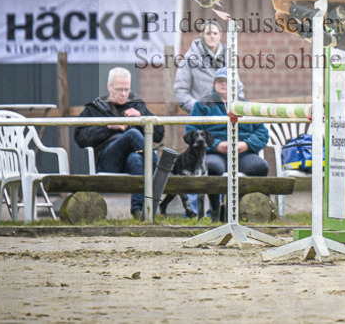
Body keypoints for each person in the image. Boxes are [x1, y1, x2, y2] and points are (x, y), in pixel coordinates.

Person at [74, 68, 164, 220]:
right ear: (109, 87)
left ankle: (138, 211)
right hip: (107, 161)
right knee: (132, 134)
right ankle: (161, 171)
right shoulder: (94, 108)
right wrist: (108, 127)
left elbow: (159, 134)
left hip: (132, 160)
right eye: (120, 89)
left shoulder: (137, 106)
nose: (124, 94)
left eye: (127, 89)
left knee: (135, 159)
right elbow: (80, 138)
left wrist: (142, 117)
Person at [187, 67, 269, 219]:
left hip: (243, 152)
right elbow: (191, 132)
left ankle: (247, 209)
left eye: (228, 82)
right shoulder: (202, 105)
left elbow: (262, 133)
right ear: (214, 85)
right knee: (212, 167)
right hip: (214, 153)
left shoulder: (246, 105)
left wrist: (246, 144)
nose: (224, 85)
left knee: (260, 166)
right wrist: (216, 145)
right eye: (220, 81)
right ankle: (215, 212)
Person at [174, 20, 245, 115]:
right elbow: (181, 90)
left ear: (220, 35)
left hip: (227, 116)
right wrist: (199, 109)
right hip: (202, 119)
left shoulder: (229, 57)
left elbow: (237, 87)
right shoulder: (189, 58)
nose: (212, 36)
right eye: (208, 33)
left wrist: (235, 108)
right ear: (202, 35)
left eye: (215, 33)